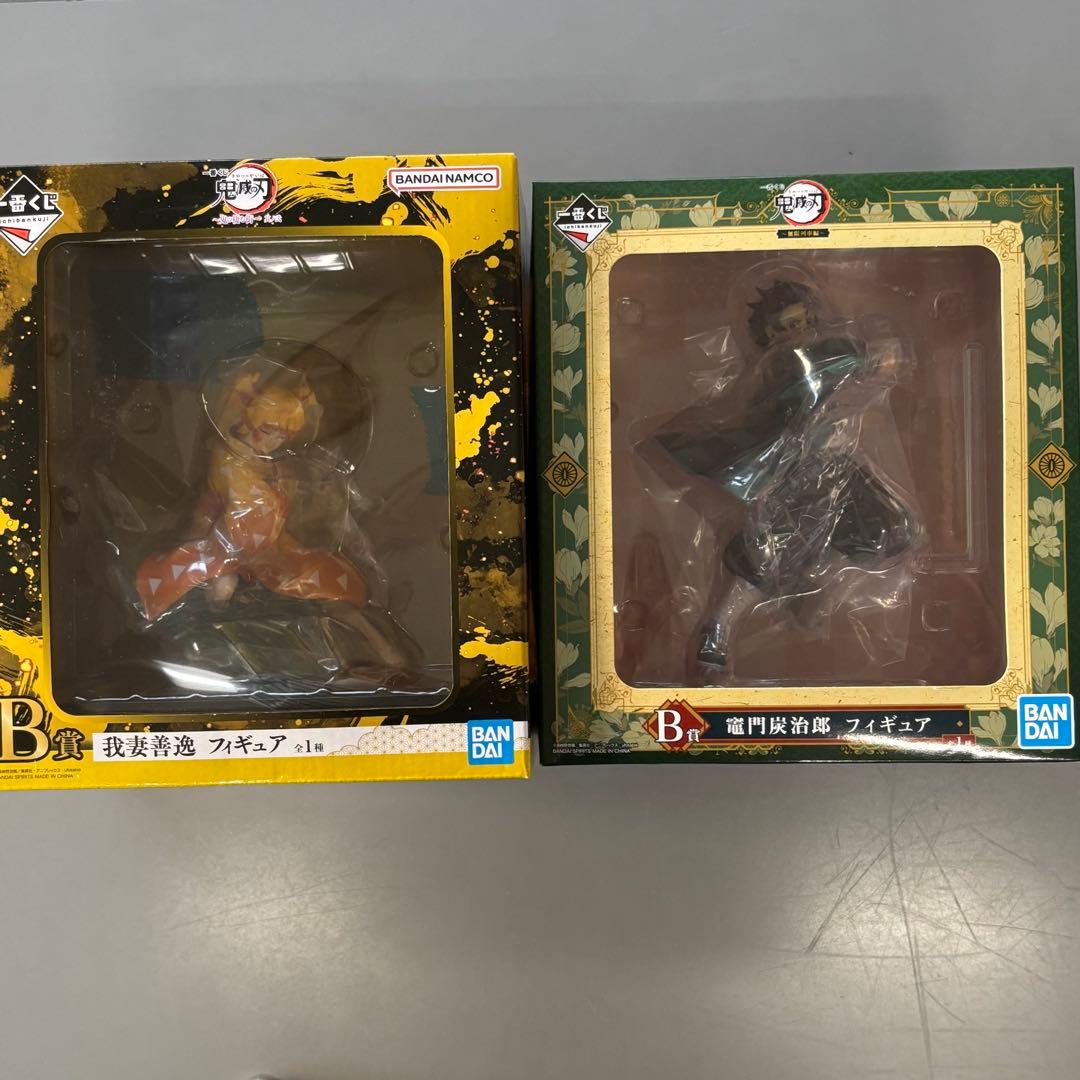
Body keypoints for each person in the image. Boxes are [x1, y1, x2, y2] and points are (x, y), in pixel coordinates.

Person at [651, 279, 917, 672]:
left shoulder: (822, 352)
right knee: (763, 556)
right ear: (770, 335)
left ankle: (811, 592)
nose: (799, 331)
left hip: (836, 468)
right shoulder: (786, 365)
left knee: (888, 529)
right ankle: (718, 628)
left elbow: (854, 365)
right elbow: (823, 370)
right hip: (794, 476)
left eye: (803, 321)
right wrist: (868, 354)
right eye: (787, 327)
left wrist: (878, 352)